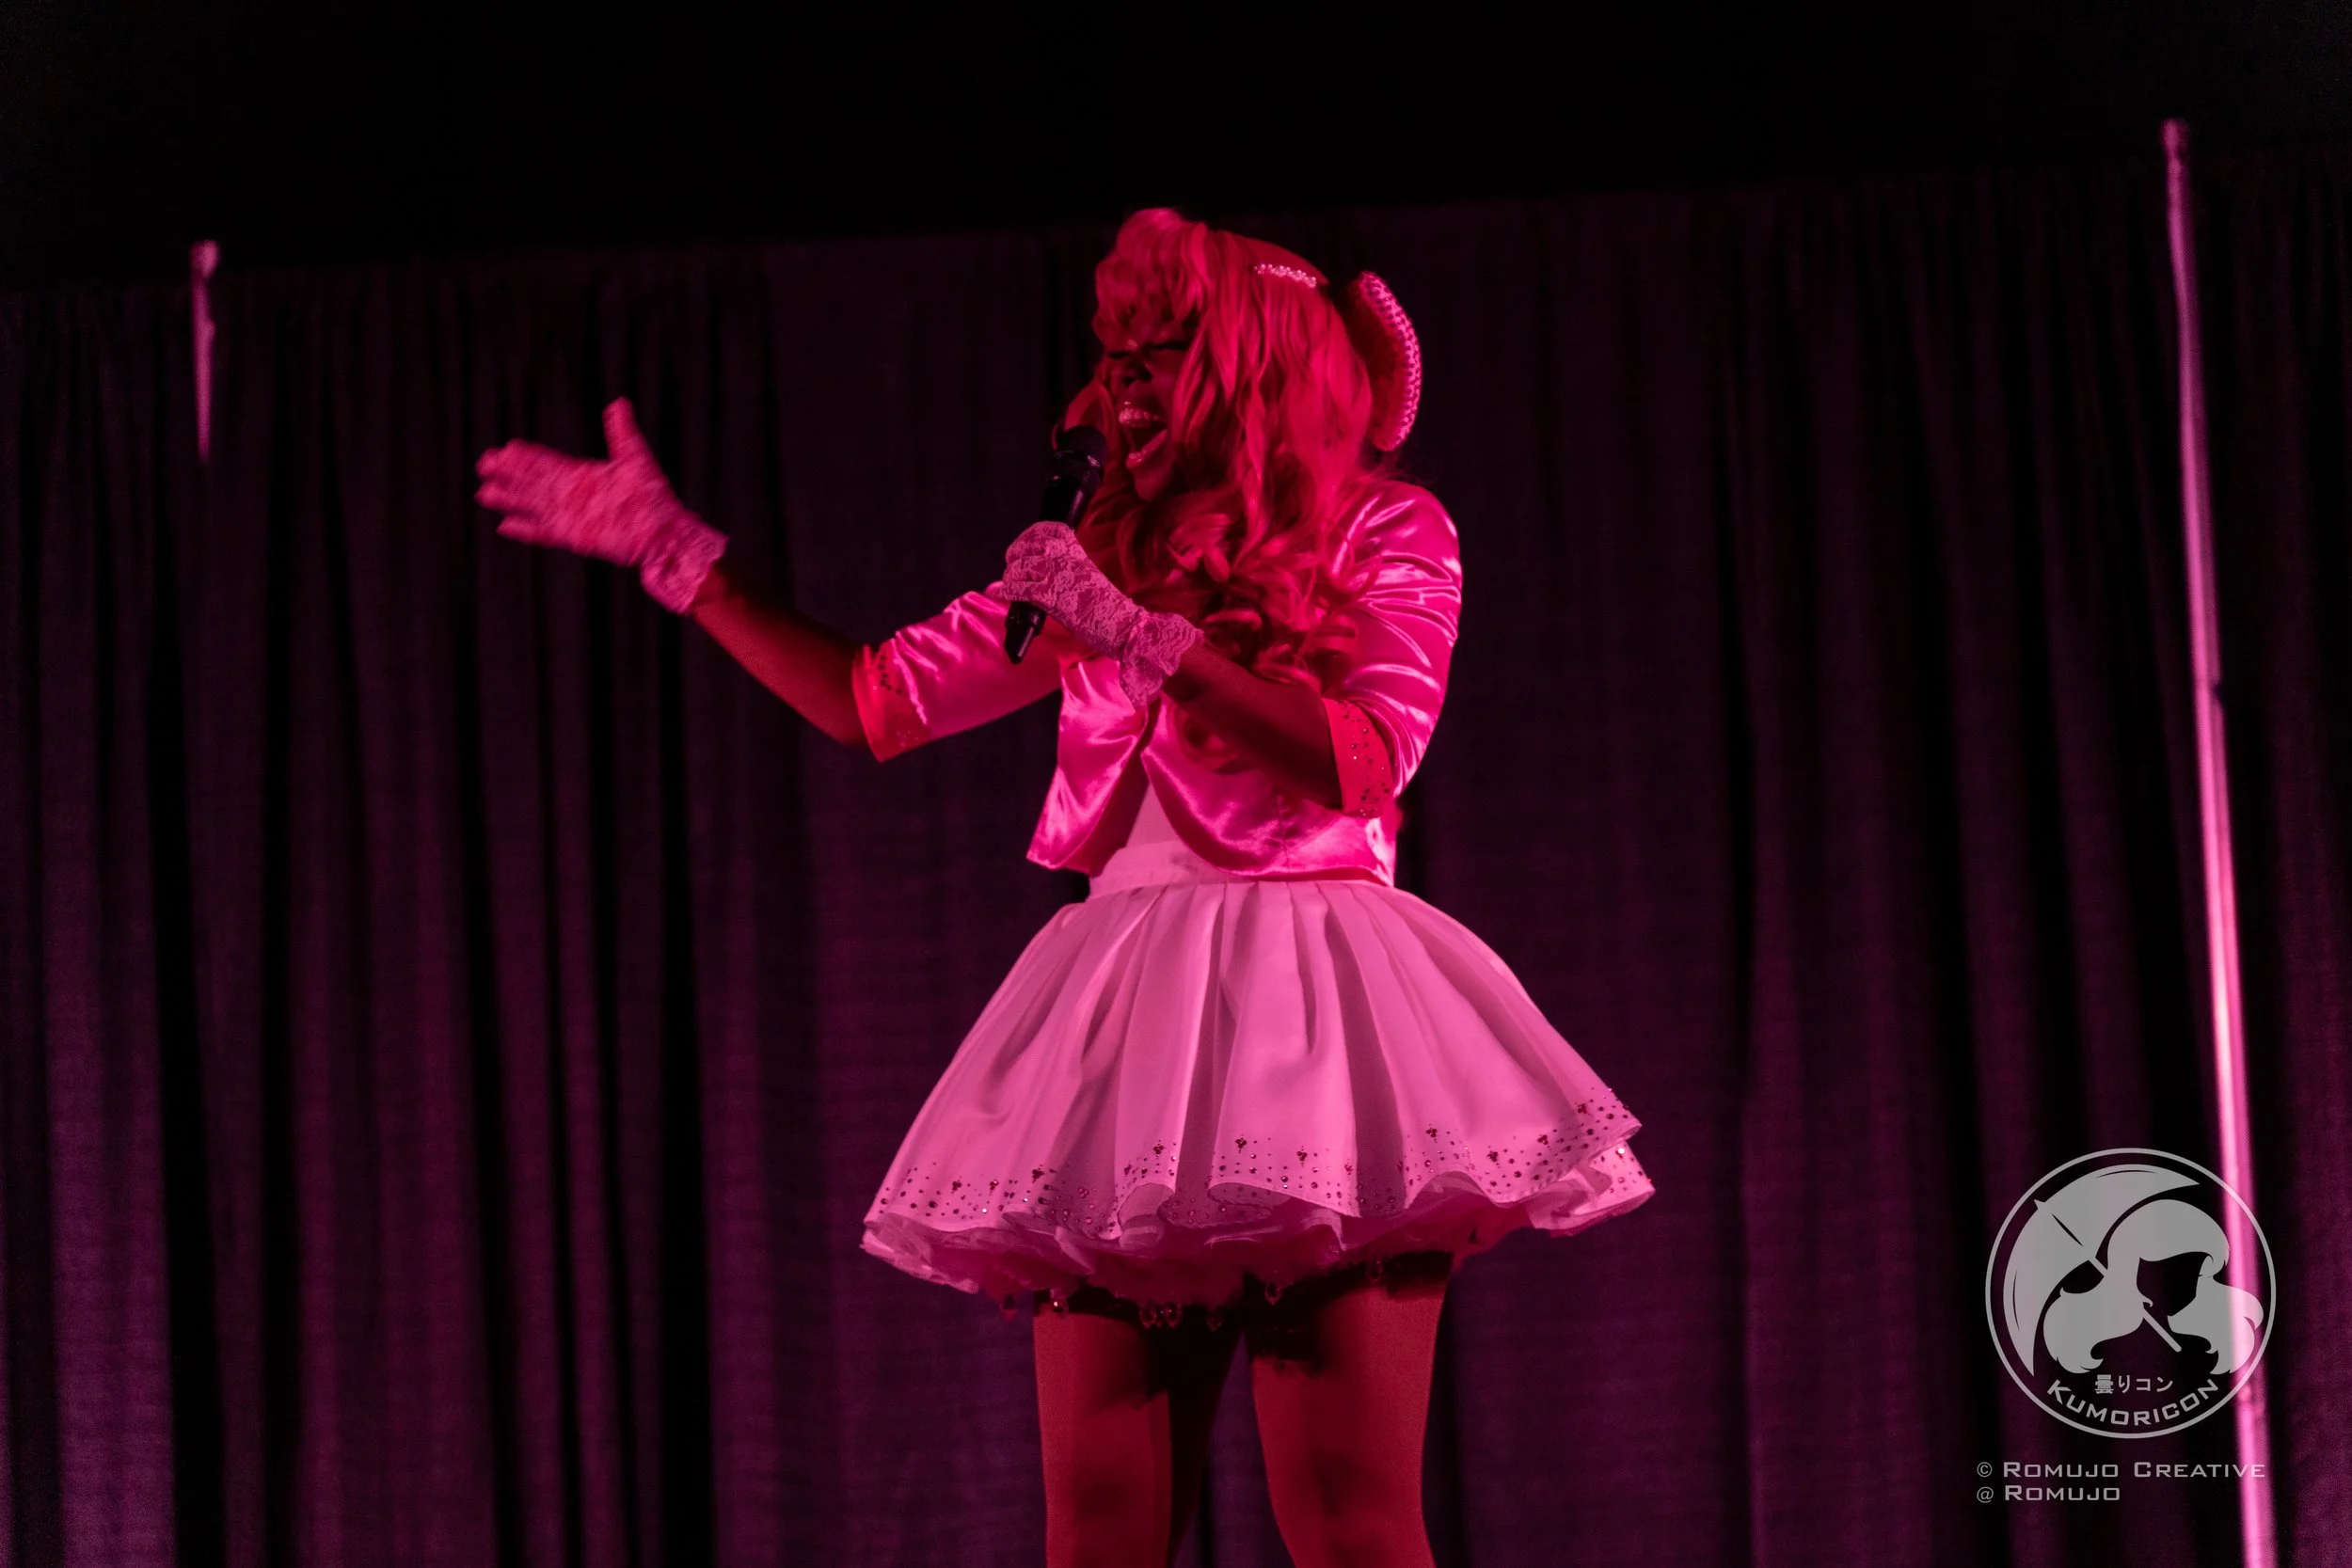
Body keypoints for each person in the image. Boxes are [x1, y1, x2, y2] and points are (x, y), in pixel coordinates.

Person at [476, 208, 1655, 1568]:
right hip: (1132, 1024)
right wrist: (680, 563)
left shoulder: (1385, 526)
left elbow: (1364, 755)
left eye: (1160, 361)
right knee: (1096, 1531)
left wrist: (1147, 639)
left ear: (1247, 367)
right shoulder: (1106, 555)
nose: (1124, 395)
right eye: (1120, 360)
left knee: (1348, 1519)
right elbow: (876, 701)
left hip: (1323, 1017)